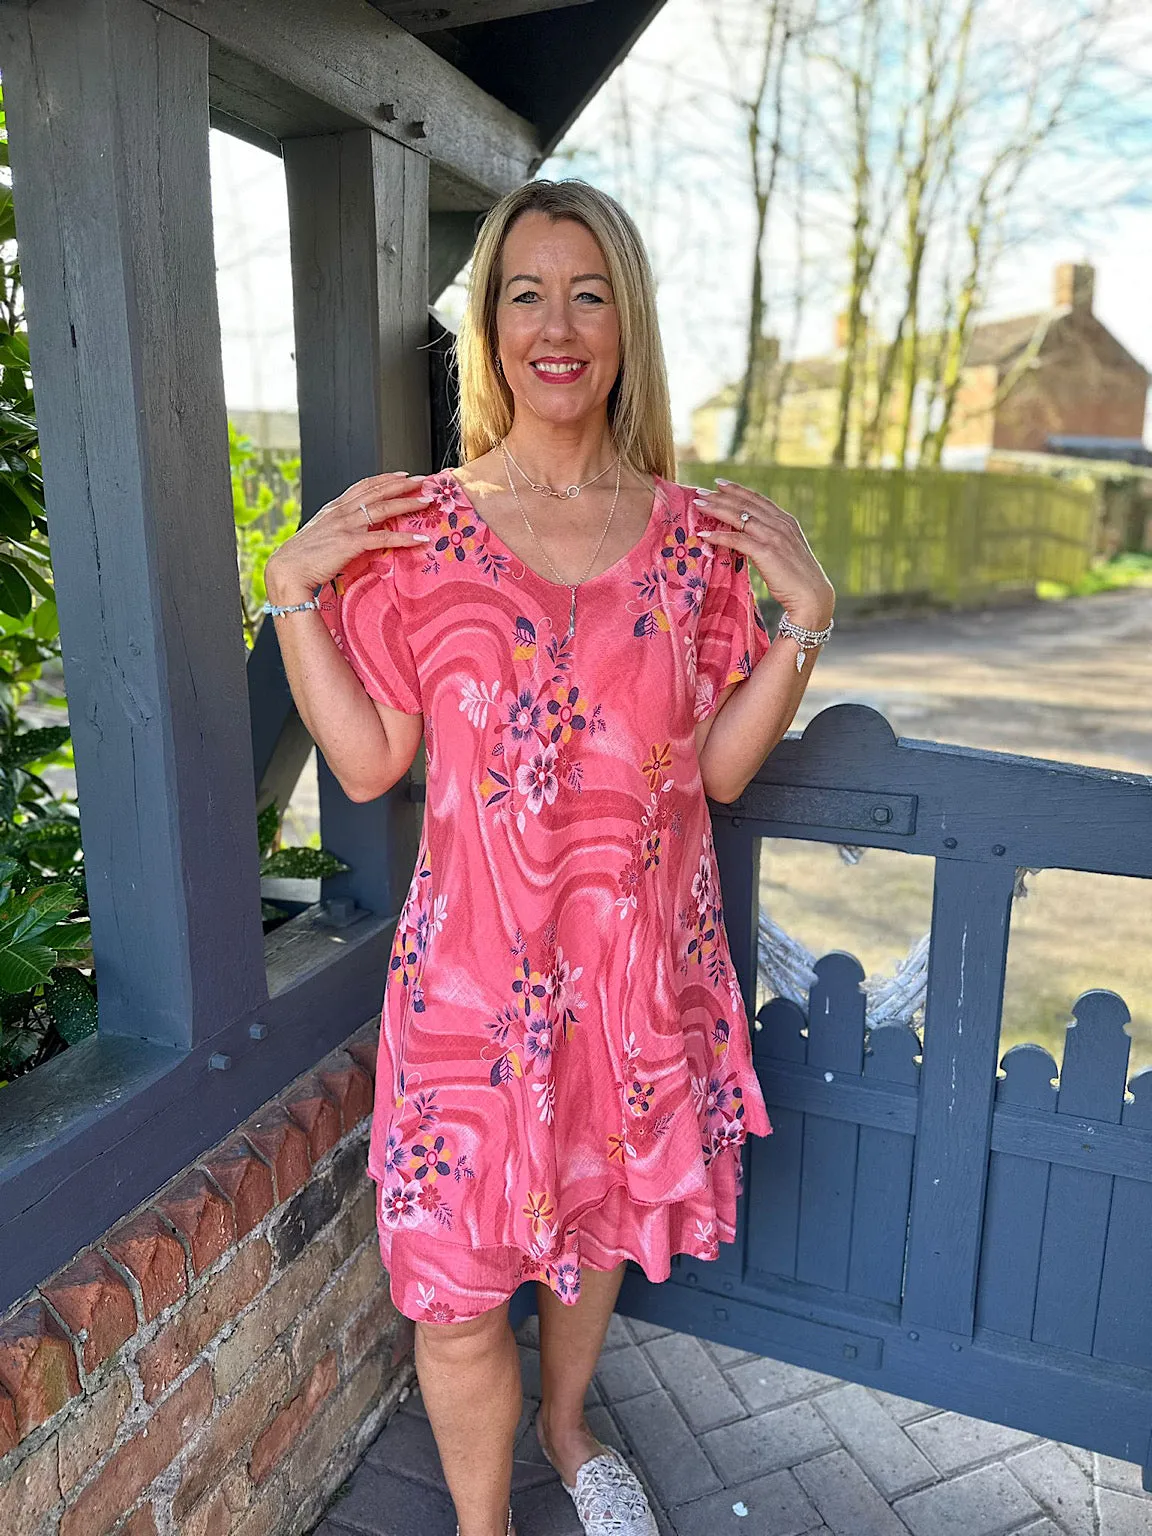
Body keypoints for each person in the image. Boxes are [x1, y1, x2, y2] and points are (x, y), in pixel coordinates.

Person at [264, 178, 835, 1536]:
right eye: (527, 292)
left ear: (626, 323)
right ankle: (484, 1525)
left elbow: (714, 772)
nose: (558, 323)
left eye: (590, 293)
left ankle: (575, 1433)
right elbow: (366, 763)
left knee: (587, 1249)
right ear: (491, 325)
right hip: (471, 1004)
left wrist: (806, 618)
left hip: (631, 991)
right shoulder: (424, 535)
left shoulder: (698, 545)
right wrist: (292, 587)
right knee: (457, 1300)